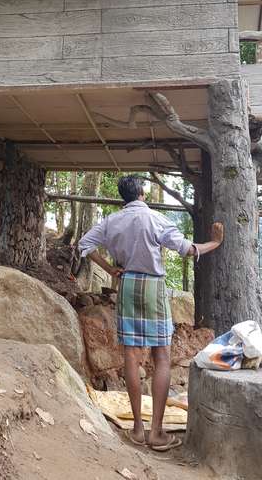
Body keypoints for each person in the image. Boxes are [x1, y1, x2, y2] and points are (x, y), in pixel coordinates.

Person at [78, 175, 224, 452]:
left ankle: (136, 428)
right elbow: (189, 250)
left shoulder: (112, 221)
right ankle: (156, 433)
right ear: (143, 193)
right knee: (162, 354)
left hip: (128, 285)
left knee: (131, 355)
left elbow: (85, 245)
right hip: (153, 287)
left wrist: (109, 269)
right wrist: (214, 243)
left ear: (124, 196)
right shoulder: (156, 219)